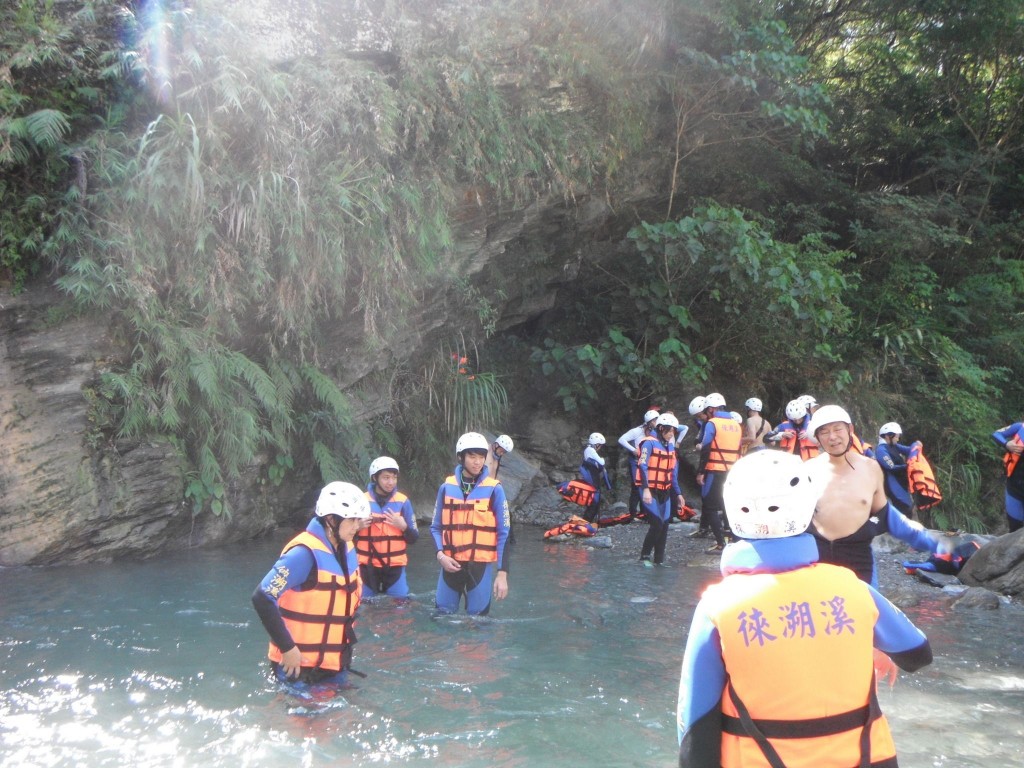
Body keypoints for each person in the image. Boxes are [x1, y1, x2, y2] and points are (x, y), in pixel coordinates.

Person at [677, 450, 933, 767]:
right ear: (808, 508)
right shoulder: (853, 588)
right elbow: (918, 654)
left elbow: (695, 723)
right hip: (866, 758)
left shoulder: (717, 607)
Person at [252, 481, 370, 688]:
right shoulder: (303, 554)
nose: (357, 525)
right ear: (332, 519)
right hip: (297, 667)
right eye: (352, 519)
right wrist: (287, 649)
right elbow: (262, 597)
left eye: (358, 519)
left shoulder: (347, 548)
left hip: (334, 663)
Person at [805, 405, 939, 586]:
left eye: (838, 429)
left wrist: (933, 542)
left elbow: (883, 513)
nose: (833, 437)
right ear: (818, 438)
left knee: (866, 611)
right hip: (817, 556)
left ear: (850, 430)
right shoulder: (806, 470)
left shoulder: (871, 467)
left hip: (858, 556)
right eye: (825, 432)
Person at [431, 431, 511, 615]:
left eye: (481, 457)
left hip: (479, 568)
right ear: (461, 457)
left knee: (478, 626)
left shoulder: (494, 490)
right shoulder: (446, 488)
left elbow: (504, 534)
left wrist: (502, 573)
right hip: (450, 565)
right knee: (441, 619)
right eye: (472, 456)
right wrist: (441, 556)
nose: (477, 462)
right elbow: (436, 527)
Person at [355, 456, 419, 598]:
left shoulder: (403, 502)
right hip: (367, 567)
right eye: (386, 478)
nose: (391, 482)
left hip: (394, 567)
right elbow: (344, 538)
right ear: (375, 478)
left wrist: (403, 527)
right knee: (365, 606)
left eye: (394, 478)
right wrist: (357, 527)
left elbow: (414, 538)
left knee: (401, 605)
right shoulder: (361, 501)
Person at [637, 412, 685, 566]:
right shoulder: (648, 443)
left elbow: (673, 474)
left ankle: (659, 560)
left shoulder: (670, 447)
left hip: (664, 491)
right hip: (648, 489)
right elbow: (642, 465)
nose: (671, 434)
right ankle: (644, 557)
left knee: (664, 525)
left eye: (674, 431)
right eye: (669, 430)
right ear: (660, 428)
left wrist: (678, 494)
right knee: (657, 523)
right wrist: (645, 489)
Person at [696, 393, 742, 554]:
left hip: (715, 470)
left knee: (710, 506)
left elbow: (706, 447)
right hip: (731, 471)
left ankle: (721, 543)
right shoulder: (736, 424)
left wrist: (701, 472)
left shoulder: (712, 423)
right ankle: (733, 539)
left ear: (711, 409)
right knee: (727, 504)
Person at [618, 409, 660, 519]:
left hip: (647, 462)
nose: (656, 423)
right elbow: (622, 439)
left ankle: (645, 512)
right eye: (655, 420)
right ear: (650, 421)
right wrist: (633, 449)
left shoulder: (655, 432)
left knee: (647, 485)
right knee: (636, 486)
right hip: (636, 461)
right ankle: (633, 513)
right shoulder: (637, 431)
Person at [874, 423, 916, 516]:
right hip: (892, 483)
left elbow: (910, 450)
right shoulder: (881, 450)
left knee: (907, 509)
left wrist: (916, 445)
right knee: (905, 509)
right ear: (888, 436)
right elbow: (891, 467)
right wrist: (907, 466)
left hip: (901, 482)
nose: (898, 439)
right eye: (896, 437)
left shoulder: (894, 446)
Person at [991, 420, 1024, 532]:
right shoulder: (1019, 427)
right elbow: (996, 434)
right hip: (1014, 487)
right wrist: (1007, 444)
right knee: (1014, 528)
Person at [580, 432, 613, 523]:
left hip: (592, 477)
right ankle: (587, 521)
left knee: (595, 501)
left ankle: (590, 521)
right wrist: (602, 459)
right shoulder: (590, 450)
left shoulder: (588, 449)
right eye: (600, 445)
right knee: (594, 501)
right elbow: (602, 462)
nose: (600, 448)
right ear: (597, 444)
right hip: (592, 479)